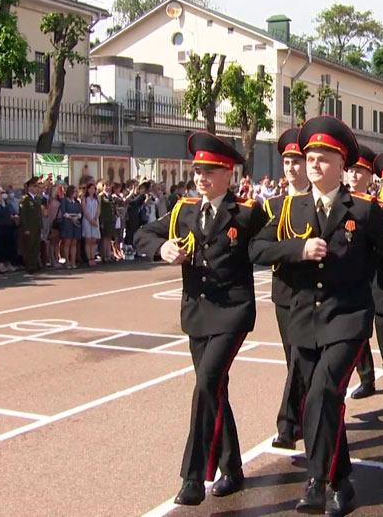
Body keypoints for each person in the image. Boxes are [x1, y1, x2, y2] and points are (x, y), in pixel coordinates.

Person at [249, 116, 383, 516]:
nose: (313, 164)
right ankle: (342, 481)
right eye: (310, 157)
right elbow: (257, 250)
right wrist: (297, 250)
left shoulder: (365, 212)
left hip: (347, 318)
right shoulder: (288, 208)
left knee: (324, 392)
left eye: (323, 158)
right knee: (321, 401)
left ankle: (316, 481)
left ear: (342, 166)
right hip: (303, 319)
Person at [136, 131, 267, 506]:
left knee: (207, 383)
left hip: (232, 311)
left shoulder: (245, 213)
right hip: (197, 313)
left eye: (211, 170)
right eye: (198, 170)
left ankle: (193, 477)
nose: (202, 177)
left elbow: (273, 242)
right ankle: (233, 467)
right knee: (216, 388)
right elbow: (143, 233)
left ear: (229, 174)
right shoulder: (182, 211)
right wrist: (161, 247)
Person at [261, 127, 312, 451]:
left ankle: (288, 424)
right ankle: (301, 419)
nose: (292, 167)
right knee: (293, 358)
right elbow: (259, 249)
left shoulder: (319, 200)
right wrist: (294, 250)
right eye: (288, 161)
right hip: (284, 292)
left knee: (300, 358)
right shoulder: (272, 206)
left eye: (298, 161)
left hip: (314, 293)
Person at [345, 145, 380, 401]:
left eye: (360, 171)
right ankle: (366, 376)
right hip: (355, 277)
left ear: (369, 176)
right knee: (358, 330)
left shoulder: (376, 206)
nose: (355, 176)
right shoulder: (339, 203)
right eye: (351, 171)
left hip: (380, 274)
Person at [19, 177, 43, 274]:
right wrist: (25, 228)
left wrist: (40, 226)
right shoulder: (25, 199)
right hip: (29, 227)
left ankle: (35, 263)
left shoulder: (37, 198)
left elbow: (39, 214)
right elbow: (23, 215)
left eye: (37, 186)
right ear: (29, 188)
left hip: (36, 227)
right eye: (34, 186)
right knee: (29, 246)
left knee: (36, 246)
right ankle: (29, 265)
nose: (36, 188)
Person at [57, 185, 82, 269]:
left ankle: (73, 261)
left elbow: (80, 212)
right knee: (67, 243)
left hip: (76, 222)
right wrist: (71, 218)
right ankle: (67, 261)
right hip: (67, 222)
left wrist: (77, 217)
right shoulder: (64, 201)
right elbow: (64, 212)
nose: (76, 193)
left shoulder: (77, 202)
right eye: (74, 191)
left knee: (74, 243)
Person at [82, 182, 101, 267]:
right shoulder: (84, 199)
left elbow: (98, 210)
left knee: (93, 240)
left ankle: (93, 257)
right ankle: (89, 258)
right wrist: (90, 220)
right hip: (87, 220)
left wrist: (95, 218)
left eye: (94, 188)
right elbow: (84, 210)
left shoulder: (96, 199)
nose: (92, 190)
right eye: (91, 188)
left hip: (95, 220)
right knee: (88, 239)